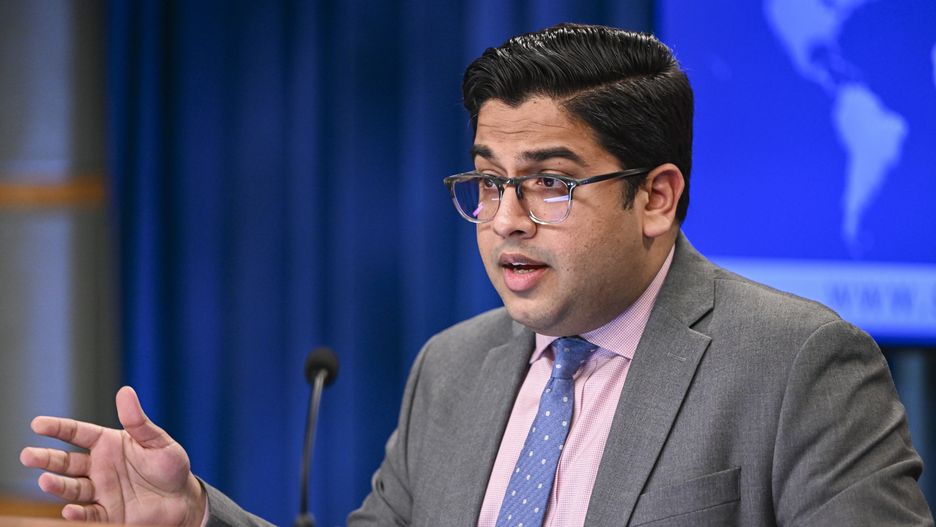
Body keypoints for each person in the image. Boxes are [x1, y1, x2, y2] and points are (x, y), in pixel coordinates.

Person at [21, 23, 933, 527]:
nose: (505, 219)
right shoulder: (453, 368)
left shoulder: (797, 363)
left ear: (657, 196)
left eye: (549, 182)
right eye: (489, 181)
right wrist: (194, 517)